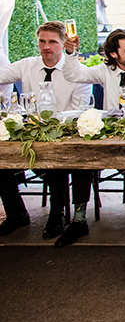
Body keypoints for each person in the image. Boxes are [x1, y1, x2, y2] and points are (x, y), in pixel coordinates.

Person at [58, 28, 125, 246]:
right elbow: (73, 75)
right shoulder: (105, 71)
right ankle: (78, 220)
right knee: (82, 158)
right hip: (108, 138)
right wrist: (70, 53)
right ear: (114, 54)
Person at [0, 21, 92, 238]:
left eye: (52, 42)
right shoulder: (27, 65)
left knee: (57, 161)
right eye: (42, 41)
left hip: (67, 136)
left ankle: (58, 214)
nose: (46, 47)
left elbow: (80, 110)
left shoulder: (78, 72)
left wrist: (53, 125)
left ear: (63, 44)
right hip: (33, 135)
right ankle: (16, 214)